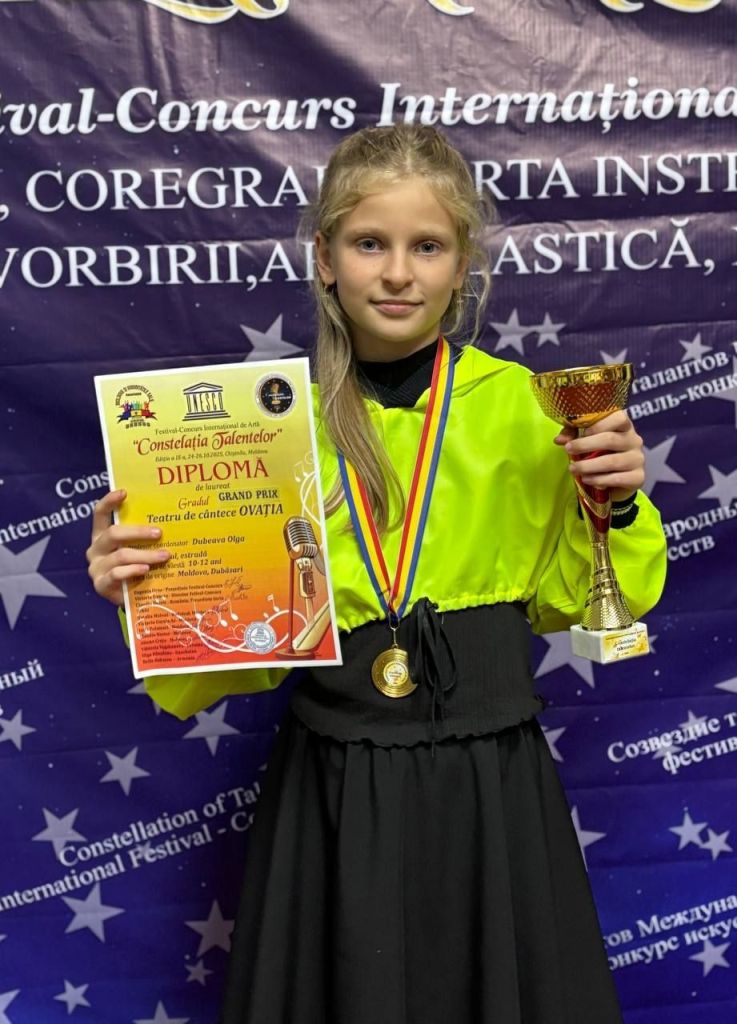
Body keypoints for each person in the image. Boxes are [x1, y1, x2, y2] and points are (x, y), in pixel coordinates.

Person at [87, 124, 667, 1024]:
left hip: (490, 784)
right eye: (369, 244)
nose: (398, 273)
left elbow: (590, 603)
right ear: (324, 258)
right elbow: (232, 653)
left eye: (426, 246)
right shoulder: (255, 432)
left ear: (462, 264)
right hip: (336, 787)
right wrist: (146, 591)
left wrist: (616, 507)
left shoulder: (526, 407)